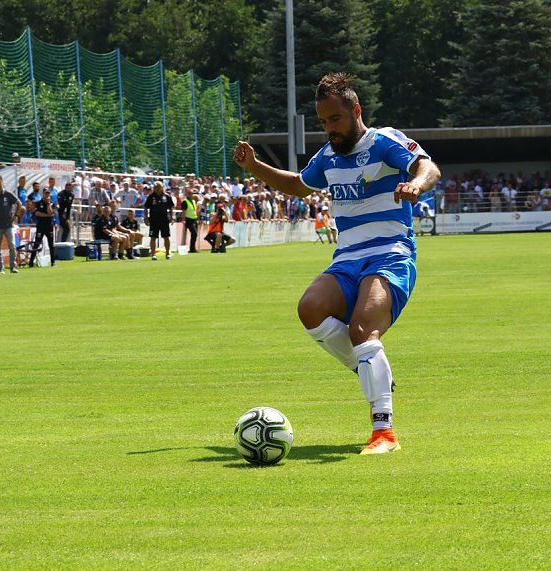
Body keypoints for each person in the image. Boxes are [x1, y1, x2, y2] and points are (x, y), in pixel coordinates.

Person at [233, 72, 440, 455]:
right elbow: (297, 185)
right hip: (346, 259)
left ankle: (384, 433)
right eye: (323, 121)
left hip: (390, 254)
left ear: (356, 110)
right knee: (310, 308)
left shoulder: (384, 141)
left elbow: (429, 168)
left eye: (335, 119)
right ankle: (368, 367)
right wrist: (255, 166)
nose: (329, 128)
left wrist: (416, 184)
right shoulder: (327, 156)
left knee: (362, 329)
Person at [144, 180, 174, 260]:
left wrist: (171, 217)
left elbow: (171, 207)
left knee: (166, 237)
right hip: (154, 220)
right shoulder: (151, 197)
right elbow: (146, 207)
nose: (157, 188)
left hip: (164, 220)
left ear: (162, 187)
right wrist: (146, 218)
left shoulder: (167, 196)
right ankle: (153, 254)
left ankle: (167, 253)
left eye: (159, 187)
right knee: (153, 237)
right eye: (156, 187)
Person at [31, 189, 57, 267]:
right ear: (43, 194)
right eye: (45, 194)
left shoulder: (52, 203)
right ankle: (31, 262)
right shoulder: (38, 203)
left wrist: (48, 204)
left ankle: (53, 262)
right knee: (36, 244)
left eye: (48, 194)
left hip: (49, 226)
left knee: (51, 244)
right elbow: (37, 213)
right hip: (41, 226)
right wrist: (48, 215)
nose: (47, 195)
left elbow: (51, 212)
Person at [181, 187, 200, 252]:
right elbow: (183, 212)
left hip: (194, 219)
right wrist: (183, 220)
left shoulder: (194, 201)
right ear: (188, 194)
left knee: (194, 234)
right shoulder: (185, 201)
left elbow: (194, 210)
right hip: (189, 219)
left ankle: (193, 248)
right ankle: (192, 248)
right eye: (191, 193)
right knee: (194, 233)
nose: (192, 195)